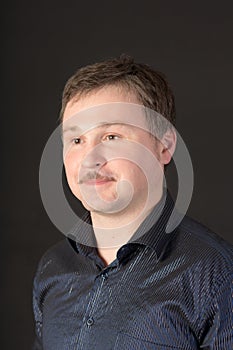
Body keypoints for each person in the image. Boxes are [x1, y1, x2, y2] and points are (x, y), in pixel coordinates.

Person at [32, 55, 233, 349]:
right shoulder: (52, 268)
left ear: (164, 146)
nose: (90, 159)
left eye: (112, 136)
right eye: (76, 141)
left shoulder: (216, 276)